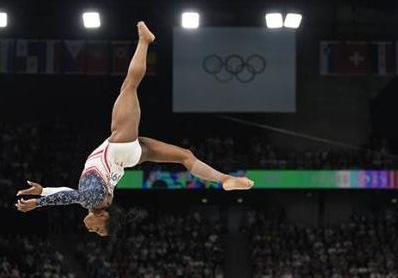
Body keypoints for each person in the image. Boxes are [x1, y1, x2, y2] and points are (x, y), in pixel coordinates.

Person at [15, 22, 254, 236]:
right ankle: (145, 41)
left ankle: (224, 179)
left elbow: (73, 194)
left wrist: (44, 191)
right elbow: (73, 196)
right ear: (104, 218)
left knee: (185, 156)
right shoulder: (93, 198)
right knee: (129, 86)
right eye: (99, 231)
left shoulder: (94, 201)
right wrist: (38, 204)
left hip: (129, 157)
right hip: (120, 148)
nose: (93, 231)